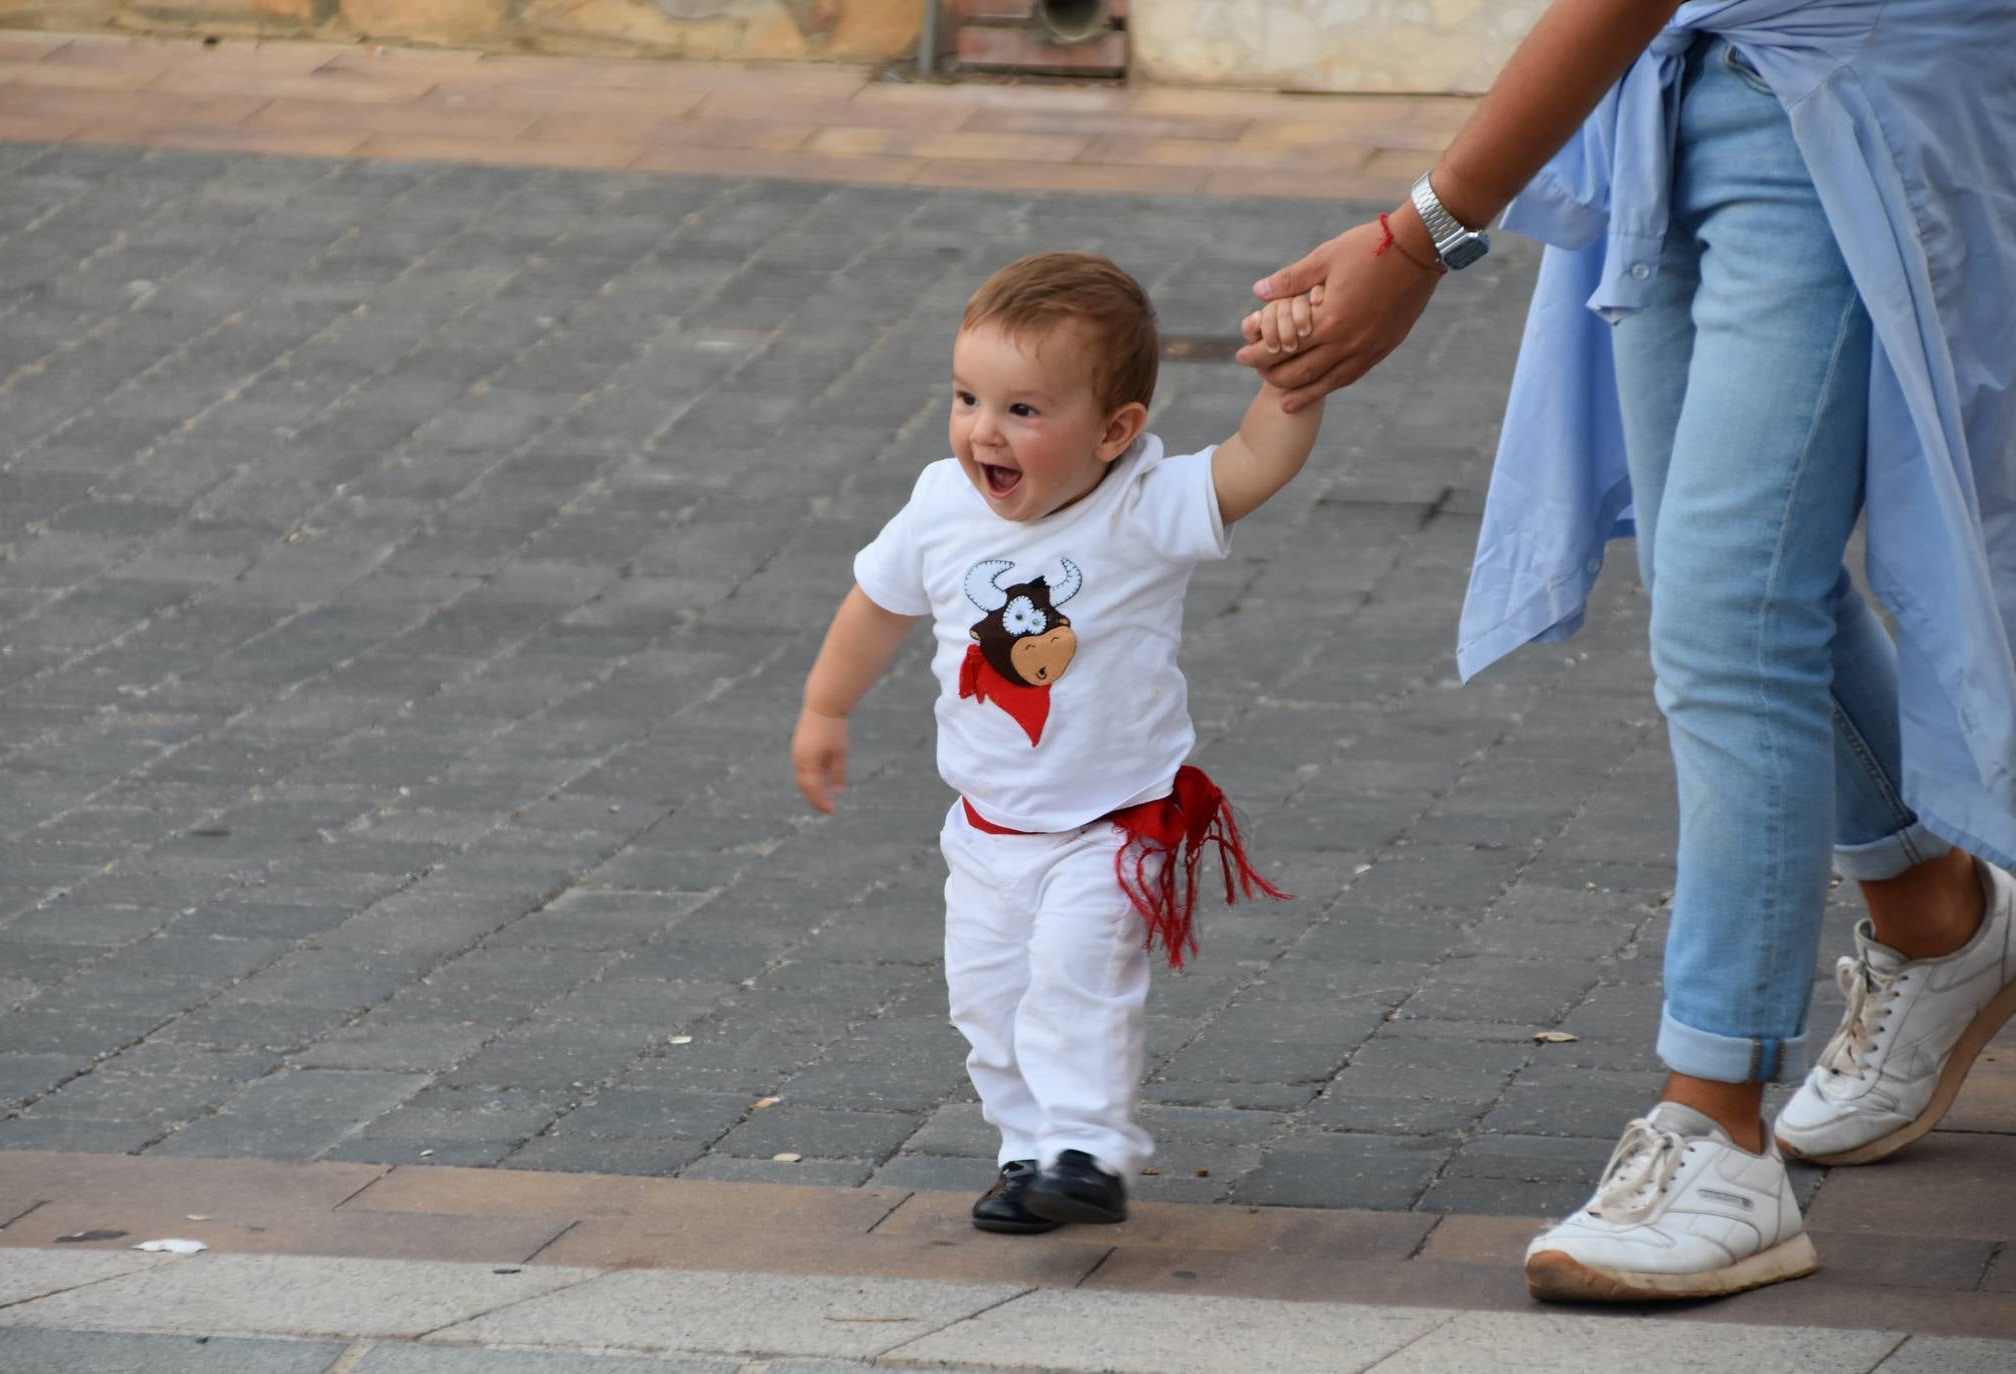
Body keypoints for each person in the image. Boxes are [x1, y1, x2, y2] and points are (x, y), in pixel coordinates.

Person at [1237, 0, 2016, 1303]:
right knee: (1727, 588)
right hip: (1677, 83)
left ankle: (1716, 1128)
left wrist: (1422, 232)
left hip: (1840, 98)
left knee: (1730, 620)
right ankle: (1937, 920)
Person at [792, 252, 1313, 1233]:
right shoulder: (942, 506)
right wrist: (826, 708)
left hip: (1115, 826)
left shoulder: (1145, 505)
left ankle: (1089, 1150)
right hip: (988, 828)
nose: (984, 429)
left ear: (1116, 432)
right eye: (966, 397)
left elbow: (1255, 463)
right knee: (988, 1004)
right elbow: (876, 605)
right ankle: (1027, 1153)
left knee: (1076, 981)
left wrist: (1293, 384)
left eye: (1024, 411)